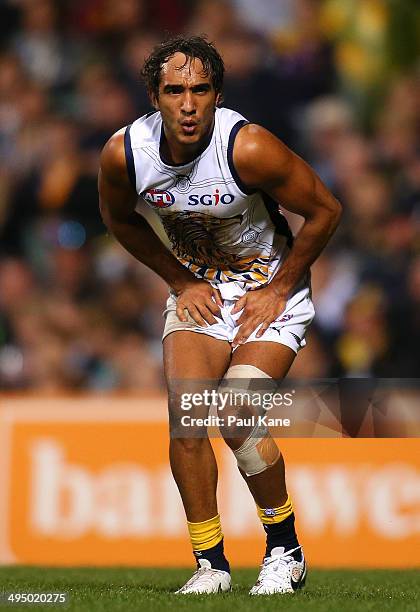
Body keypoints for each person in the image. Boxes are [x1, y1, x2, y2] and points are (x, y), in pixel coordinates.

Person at [98, 35, 341, 595]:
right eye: (175, 90)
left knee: (233, 415)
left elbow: (326, 211)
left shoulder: (248, 147)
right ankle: (211, 565)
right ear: (154, 98)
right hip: (201, 294)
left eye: (201, 90)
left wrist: (279, 287)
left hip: (268, 296)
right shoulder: (124, 154)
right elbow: (119, 219)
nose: (188, 104)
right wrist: (180, 280)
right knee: (187, 418)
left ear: (218, 94)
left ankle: (285, 550)